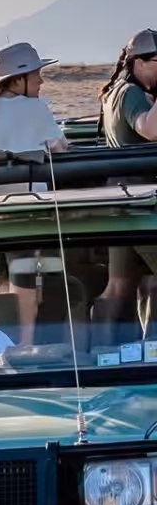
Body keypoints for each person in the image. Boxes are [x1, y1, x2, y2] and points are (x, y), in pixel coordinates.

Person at [0, 42, 69, 344]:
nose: (41, 81)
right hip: (25, 209)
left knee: (4, 289)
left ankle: (5, 346)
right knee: (27, 291)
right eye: (37, 75)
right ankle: (24, 346)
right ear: (17, 80)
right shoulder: (33, 107)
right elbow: (60, 146)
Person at [95, 28, 157, 344]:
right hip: (143, 205)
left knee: (119, 286)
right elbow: (149, 129)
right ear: (141, 63)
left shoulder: (116, 91)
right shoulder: (131, 93)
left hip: (121, 203)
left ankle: (99, 351)